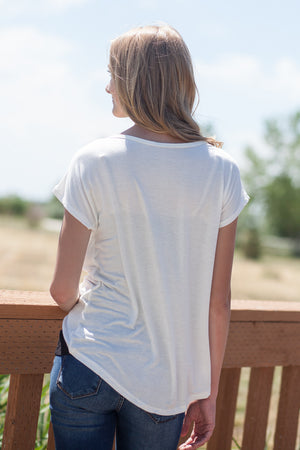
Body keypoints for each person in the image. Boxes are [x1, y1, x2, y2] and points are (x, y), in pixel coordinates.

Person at [49, 24, 249, 450]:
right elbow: (218, 302)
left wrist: (85, 300)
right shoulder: (222, 171)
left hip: (89, 361)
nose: (107, 88)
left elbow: (61, 289)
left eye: (113, 75)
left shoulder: (92, 161)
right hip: (166, 385)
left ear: (134, 81)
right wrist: (207, 392)